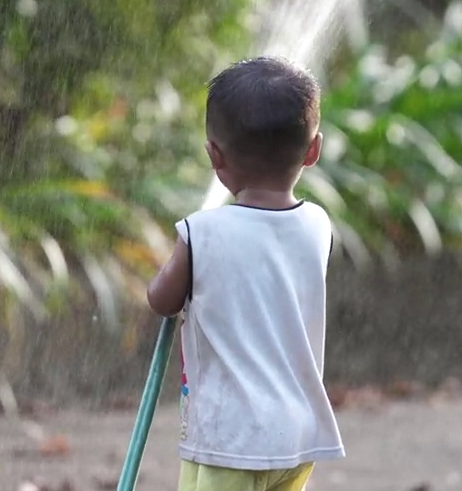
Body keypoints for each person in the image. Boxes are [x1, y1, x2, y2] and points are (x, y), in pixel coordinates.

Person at [147, 56, 345, 491]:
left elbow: (162, 300)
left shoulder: (203, 232)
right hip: (295, 436)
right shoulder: (317, 225)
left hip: (230, 440)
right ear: (313, 150)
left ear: (214, 155)